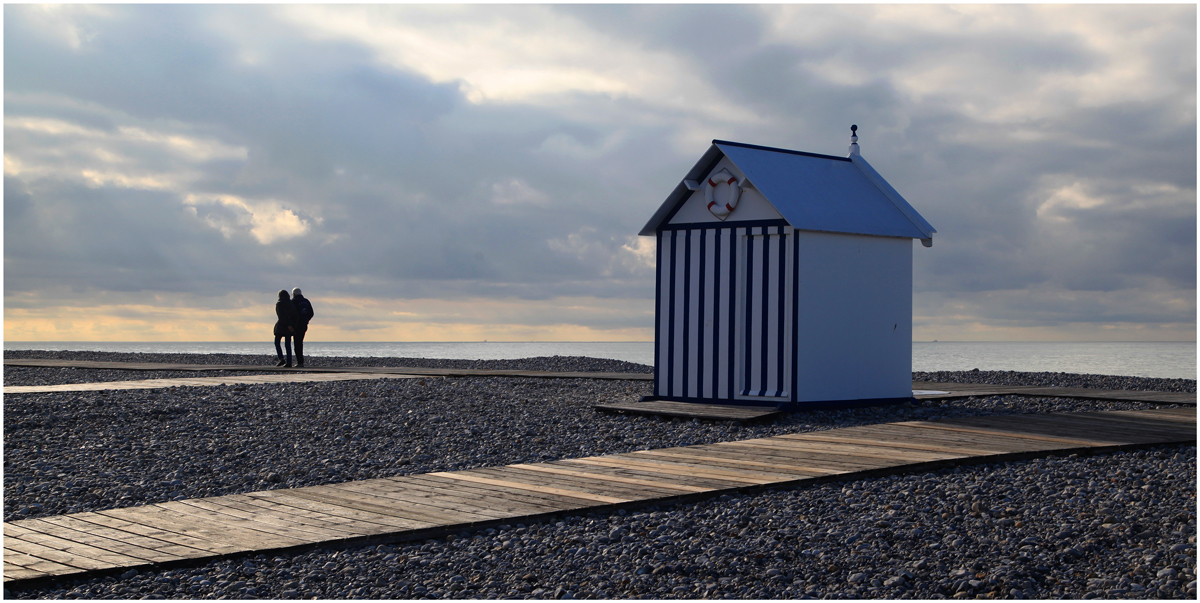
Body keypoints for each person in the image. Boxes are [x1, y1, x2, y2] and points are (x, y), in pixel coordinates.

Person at [273, 289, 299, 367]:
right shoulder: (291, 303)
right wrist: (292, 326)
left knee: (277, 342)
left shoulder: (279, 304)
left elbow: (281, 316)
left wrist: (287, 325)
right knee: (288, 345)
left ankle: (281, 359)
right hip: (290, 326)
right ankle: (289, 362)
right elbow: (295, 315)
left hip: (281, 325)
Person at [291, 287, 315, 368]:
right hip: (304, 324)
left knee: (297, 344)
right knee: (300, 342)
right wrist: (306, 320)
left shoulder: (293, 301)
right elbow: (311, 313)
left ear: (294, 294)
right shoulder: (306, 301)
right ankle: (300, 362)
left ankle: (300, 362)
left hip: (296, 325)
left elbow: (292, 313)